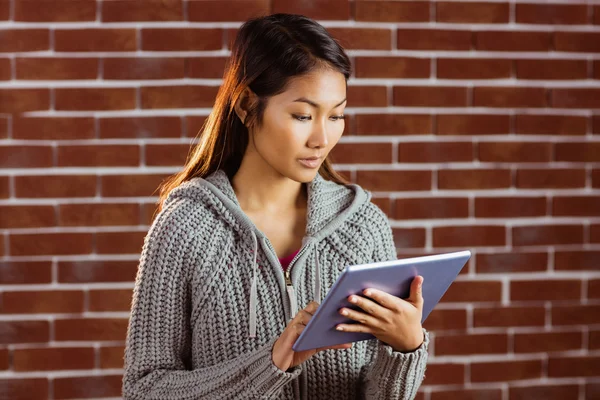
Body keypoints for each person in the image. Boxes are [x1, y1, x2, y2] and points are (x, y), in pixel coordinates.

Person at [122, 13, 429, 400]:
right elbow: (144, 389)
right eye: (303, 115)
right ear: (246, 106)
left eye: (336, 116)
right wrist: (273, 363)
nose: (322, 138)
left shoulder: (363, 227)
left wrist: (406, 347)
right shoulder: (185, 228)